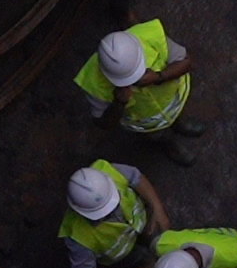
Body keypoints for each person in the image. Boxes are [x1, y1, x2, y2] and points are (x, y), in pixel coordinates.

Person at [73, 20, 206, 166]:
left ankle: (179, 124)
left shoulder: (149, 35)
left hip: (172, 101)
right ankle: (169, 144)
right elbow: (103, 123)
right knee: (157, 135)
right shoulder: (93, 81)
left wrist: (158, 76)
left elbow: (186, 62)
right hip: (148, 124)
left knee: (176, 115)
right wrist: (119, 103)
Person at [58, 161, 172, 268]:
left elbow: (136, 177)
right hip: (125, 257)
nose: (111, 211)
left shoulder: (109, 171)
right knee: (142, 265)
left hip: (142, 223)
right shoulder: (77, 235)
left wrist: (157, 207)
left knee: (158, 240)